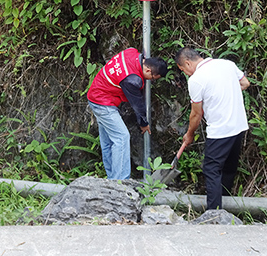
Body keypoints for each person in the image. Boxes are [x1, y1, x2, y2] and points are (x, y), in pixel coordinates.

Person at [175, 47, 250, 210]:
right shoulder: (227, 64)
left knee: (211, 169)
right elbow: (245, 83)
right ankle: (225, 204)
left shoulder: (196, 80)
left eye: (183, 70)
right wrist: (225, 94)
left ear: (187, 63)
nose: (186, 74)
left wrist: (189, 134)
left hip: (220, 130)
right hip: (239, 126)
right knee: (229, 167)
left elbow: (196, 114)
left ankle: (214, 213)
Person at [87, 48, 168, 180]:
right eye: (153, 79)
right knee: (121, 137)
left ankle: (112, 179)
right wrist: (143, 123)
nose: (151, 81)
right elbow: (137, 104)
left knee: (108, 142)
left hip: (96, 96)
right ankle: (121, 183)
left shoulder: (131, 52)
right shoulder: (132, 80)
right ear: (148, 70)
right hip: (102, 102)